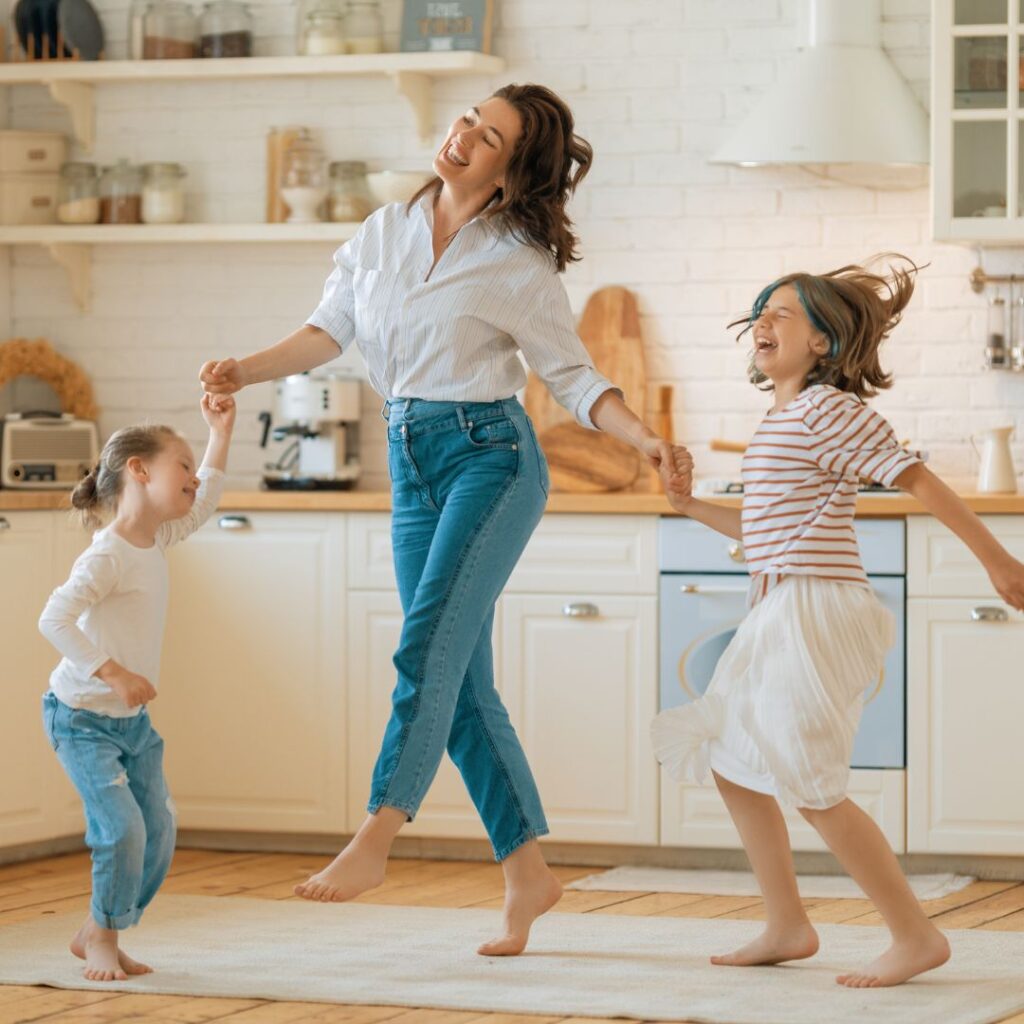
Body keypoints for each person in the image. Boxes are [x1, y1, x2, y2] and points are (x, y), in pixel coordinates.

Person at [199, 83, 681, 956]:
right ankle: (530, 873)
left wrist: (643, 436)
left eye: (488, 136)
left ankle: (377, 834)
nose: (463, 137)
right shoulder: (384, 230)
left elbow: (572, 378)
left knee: (425, 647)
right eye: (468, 119)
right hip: (411, 463)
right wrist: (246, 369)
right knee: (458, 680)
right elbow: (329, 328)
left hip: (489, 460)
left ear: (511, 170)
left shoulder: (519, 262)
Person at [654, 256, 1024, 987]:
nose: (763, 323)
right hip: (779, 604)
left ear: (823, 342)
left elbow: (918, 478)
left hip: (814, 609)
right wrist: (689, 504)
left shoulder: (830, 410)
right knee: (734, 762)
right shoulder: (784, 419)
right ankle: (788, 924)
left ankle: (916, 936)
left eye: (781, 314)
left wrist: (999, 561)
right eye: (760, 312)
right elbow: (763, 535)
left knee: (809, 779)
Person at [38, 396, 235, 981]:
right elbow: (53, 618)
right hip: (81, 719)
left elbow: (210, 499)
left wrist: (219, 431)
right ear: (139, 470)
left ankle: (101, 926)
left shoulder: (158, 539)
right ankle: (102, 935)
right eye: (183, 463)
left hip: (132, 725)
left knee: (159, 831)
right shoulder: (108, 555)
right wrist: (114, 672)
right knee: (121, 830)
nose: (194, 476)